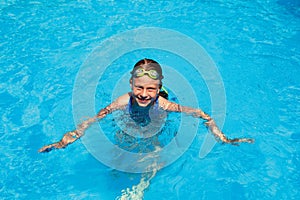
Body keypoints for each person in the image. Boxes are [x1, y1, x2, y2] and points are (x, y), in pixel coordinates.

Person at [38, 58, 254, 153]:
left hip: (155, 127)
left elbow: (202, 115)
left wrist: (223, 138)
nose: (143, 94)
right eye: (139, 87)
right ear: (131, 84)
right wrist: (62, 142)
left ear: (159, 87)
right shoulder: (123, 101)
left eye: (150, 89)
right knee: (122, 141)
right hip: (131, 123)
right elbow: (90, 121)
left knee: (155, 150)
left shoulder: (163, 103)